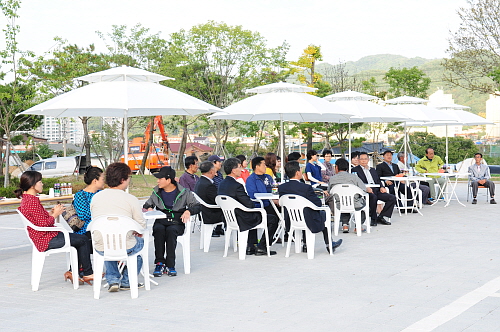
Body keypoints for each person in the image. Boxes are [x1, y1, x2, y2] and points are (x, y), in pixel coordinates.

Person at [16, 171, 94, 285]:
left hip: (44, 236)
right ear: (33, 185)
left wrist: (51, 213)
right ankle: (87, 273)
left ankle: (74, 272)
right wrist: (55, 214)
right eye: (40, 182)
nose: (42, 184)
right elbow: (43, 224)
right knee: (82, 239)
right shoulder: (31, 201)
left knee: (79, 239)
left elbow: (39, 220)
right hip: (46, 239)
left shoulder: (28, 199)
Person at [91, 162, 145, 292]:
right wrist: (135, 231)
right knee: (139, 248)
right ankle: (127, 281)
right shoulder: (130, 199)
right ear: (122, 179)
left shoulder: (96, 197)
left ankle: (113, 280)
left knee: (107, 242)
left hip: (100, 246)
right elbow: (141, 224)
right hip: (125, 245)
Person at [143, 166, 200, 277]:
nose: (157, 181)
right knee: (158, 230)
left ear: (169, 180)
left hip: (176, 222)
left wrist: (189, 211)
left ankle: (170, 264)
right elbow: (147, 204)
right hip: (161, 221)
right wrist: (149, 208)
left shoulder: (184, 192)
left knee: (171, 231)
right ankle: (159, 262)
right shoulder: (156, 192)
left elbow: (197, 206)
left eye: (160, 178)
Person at [218, 158, 278, 256]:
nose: (241, 169)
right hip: (241, 217)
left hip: (229, 217)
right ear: (233, 170)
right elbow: (249, 204)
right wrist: (259, 206)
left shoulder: (221, 184)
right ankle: (262, 247)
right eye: (239, 167)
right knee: (272, 219)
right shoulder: (237, 185)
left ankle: (250, 246)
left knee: (256, 212)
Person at [279, 161, 343, 253]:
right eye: (301, 170)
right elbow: (318, 204)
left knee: (306, 211)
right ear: (297, 173)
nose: (302, 172)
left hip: (291, 219)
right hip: (307, 220)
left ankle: (305, 244)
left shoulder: (282, 187)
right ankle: (329, 244)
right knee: (323, 213)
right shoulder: (305, 188)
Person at [352, 152, 396, 226]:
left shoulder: (372, 169)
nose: (363, 161)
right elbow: (356, 182)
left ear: (368, 160)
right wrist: (365, 188)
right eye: (361, 159)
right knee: (373, 197)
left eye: (365, 159)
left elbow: (378, 180)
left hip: (376, 189)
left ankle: (381, 216)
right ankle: (373, 218)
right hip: (365, 190)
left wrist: (382, 187)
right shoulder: (355, 170)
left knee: (392, 198)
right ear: (358, 160)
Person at [328, 158, 368, 233]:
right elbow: (363, 189)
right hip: (355, 204)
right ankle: (357, 226)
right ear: (347, 168)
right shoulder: (354, 177)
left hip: (338, 205)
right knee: (365, 206)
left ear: (336, 167)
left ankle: (345, 225)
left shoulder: (332, 179)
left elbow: (329, 191)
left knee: (342, 201)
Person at [194, 161, 225, 237]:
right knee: (234, 213)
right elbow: (217, 201)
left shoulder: (200, 182)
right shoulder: (209, 185)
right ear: (211, 171)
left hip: (204, 212)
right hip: (210, 214)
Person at [73, 166, 105, 237]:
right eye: (102, 179)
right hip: (86, 231)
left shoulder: (102, 193)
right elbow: (83, 215)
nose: (104, 182)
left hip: (102, 227)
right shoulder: (80, 195)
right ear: (95, 181)